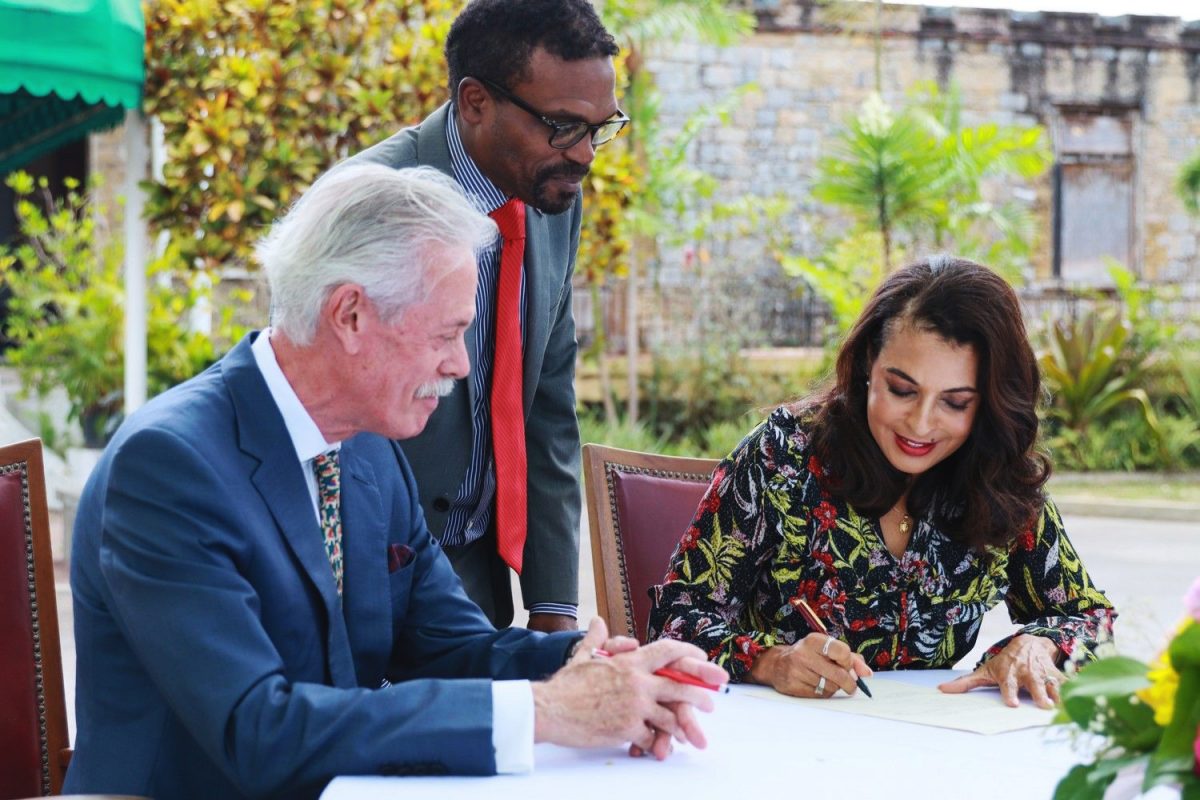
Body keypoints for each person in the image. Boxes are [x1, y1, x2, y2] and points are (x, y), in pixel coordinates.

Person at [64, 165, 726, 800]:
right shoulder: (167, 466)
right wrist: (545, 710)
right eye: (449, 332)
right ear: (350, 315)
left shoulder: (368, 449)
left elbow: (448, 645)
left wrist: (588, 668)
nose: (462, 364)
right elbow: (258, 732)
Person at [647, 256, 1116, 709]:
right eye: (902, 390)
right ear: (869, 363)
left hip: (935, 747)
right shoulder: (782, 457)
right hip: (783, 745)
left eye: (955, 402)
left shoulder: (996, 475)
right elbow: (674, 622)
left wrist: (1040, 645)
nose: (920, 423)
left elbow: (1091, 618)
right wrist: (774, 662)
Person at [338, 0, 626, 633]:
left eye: (601, 127)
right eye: (562, 126)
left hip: (479, 579)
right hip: (369, 579)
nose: (584, 156)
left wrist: (554, 610)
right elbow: (326, 419)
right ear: (474, 102)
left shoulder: (551, 195)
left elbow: (548, 400)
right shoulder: (370, 204)